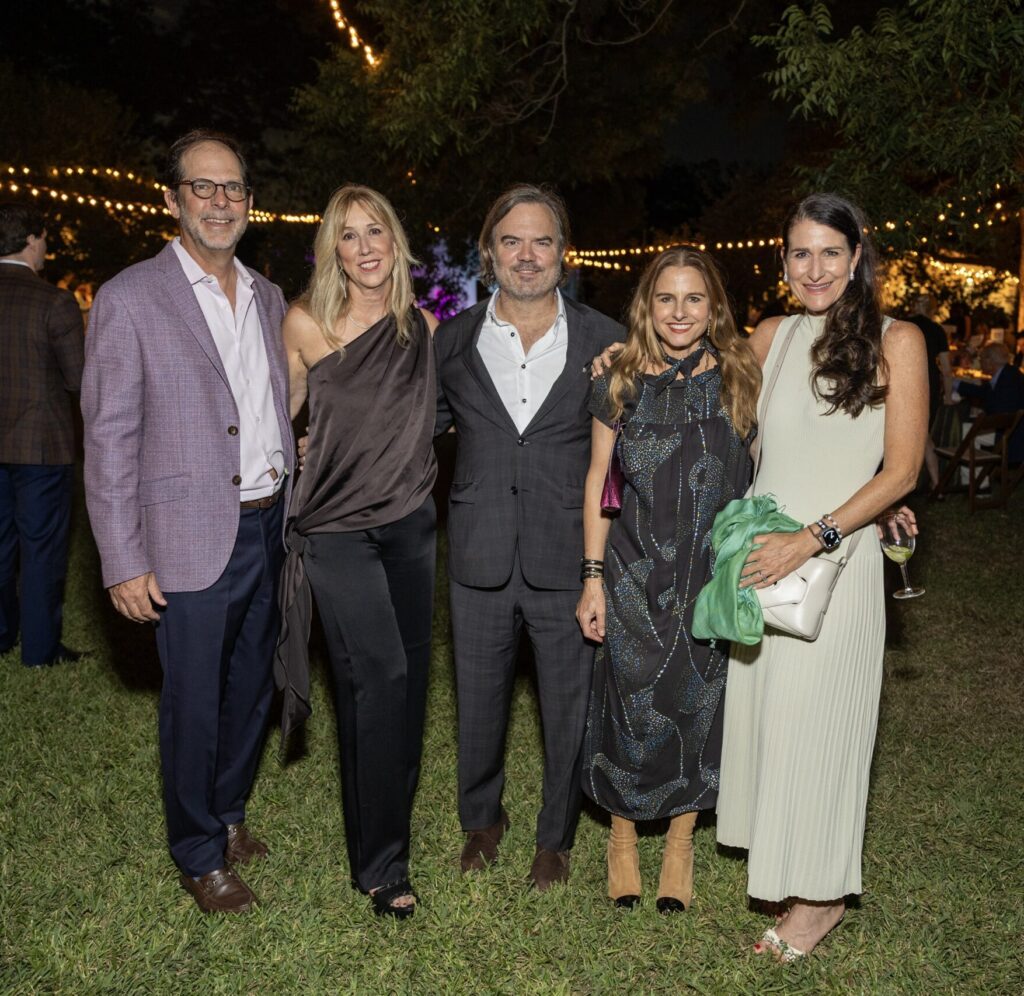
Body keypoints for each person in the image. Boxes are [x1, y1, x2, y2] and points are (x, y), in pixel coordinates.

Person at [81, 130, 294, 914]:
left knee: (253, 687)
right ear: (173, 200)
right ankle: (198, 853)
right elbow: (108, 437)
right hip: (186, 535)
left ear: (250, 202)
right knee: (194, 702)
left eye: (232, 187)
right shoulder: (130, 298)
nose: (219, 201)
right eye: (202, 187)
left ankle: (228, 811)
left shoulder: (268, 297)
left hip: (270, 527)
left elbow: (270, 406)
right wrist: (122, 557)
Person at [715, 193, 927, 961]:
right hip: (763, 555)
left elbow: (900, 471)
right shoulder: (772, 335)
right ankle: (787, 862)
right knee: (772, 720)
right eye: (800, 253)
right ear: (782, 261)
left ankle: (822, 899)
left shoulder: (898, 340)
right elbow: (718, 411)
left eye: (830, 252)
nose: (815, 269)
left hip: (834, 555)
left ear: (857, 255)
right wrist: (623, 361)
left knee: (822, 730)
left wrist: (813, 538)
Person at [434, 184, 623, 890]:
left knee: (568, 705)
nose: (526, 255)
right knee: (477, 699)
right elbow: (414, 428)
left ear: (564, 253)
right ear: (489, 252)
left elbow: (644, 443)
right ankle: (482, 821)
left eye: (542, 240)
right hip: (478, 548)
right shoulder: (453, 339)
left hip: (569, 552)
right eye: (511, 240)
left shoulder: (608, 341)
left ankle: (555, 837)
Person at [575, 247, 759, 911]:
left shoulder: (740, 377)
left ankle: (681, 842)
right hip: (634, 569)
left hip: (710, 576)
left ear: (714, 308)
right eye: (666, 298)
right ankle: (622, 838)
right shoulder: (618, 379)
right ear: (646, 307)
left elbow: (768, 465)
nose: (680, 312)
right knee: (629, 700)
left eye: (694, 299)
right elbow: (598, 482)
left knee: (699, 705)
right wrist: (593, 577)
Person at [276, 185, 438, 919]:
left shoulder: (423, 327)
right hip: (337, 528)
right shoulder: (305, 322)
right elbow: (278, 415)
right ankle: (382, 866)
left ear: (395, 241)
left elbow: (446, 413)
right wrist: (294, 450)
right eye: (349, 235)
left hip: (410, 524)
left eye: (376, 231)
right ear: (332, 251)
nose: (366, 247)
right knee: (378, 676)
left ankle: (385, 821)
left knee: (408, 686)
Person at [0, 204, 85, 667]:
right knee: (41, 550)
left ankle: (1, 634)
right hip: (40, 446)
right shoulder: (53, 301)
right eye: (45, 238)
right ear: (32, 239)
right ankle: (39, 650)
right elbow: (79, 379)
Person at [905, 295, 954, 489]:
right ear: (933, 309)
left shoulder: (902, 324)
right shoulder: (936, 330)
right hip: (928, 382)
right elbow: (947, 369)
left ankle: (915, 483)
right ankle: (935, 483)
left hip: (905, 379)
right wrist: (948, 396)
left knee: (914, 434)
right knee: (923, 434)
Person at [954, 340, 1024, 464]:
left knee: (965, 430)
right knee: (970, 428)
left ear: (990, 361)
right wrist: (956, 383)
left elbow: (999, 411)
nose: (980, 362)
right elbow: (982, 391)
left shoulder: (1008, 379)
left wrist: (980, 415)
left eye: (981, 359)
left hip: (1012, 437)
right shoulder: (1008, 373)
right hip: (1011, 430)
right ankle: (979, 474)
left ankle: (974, 475)